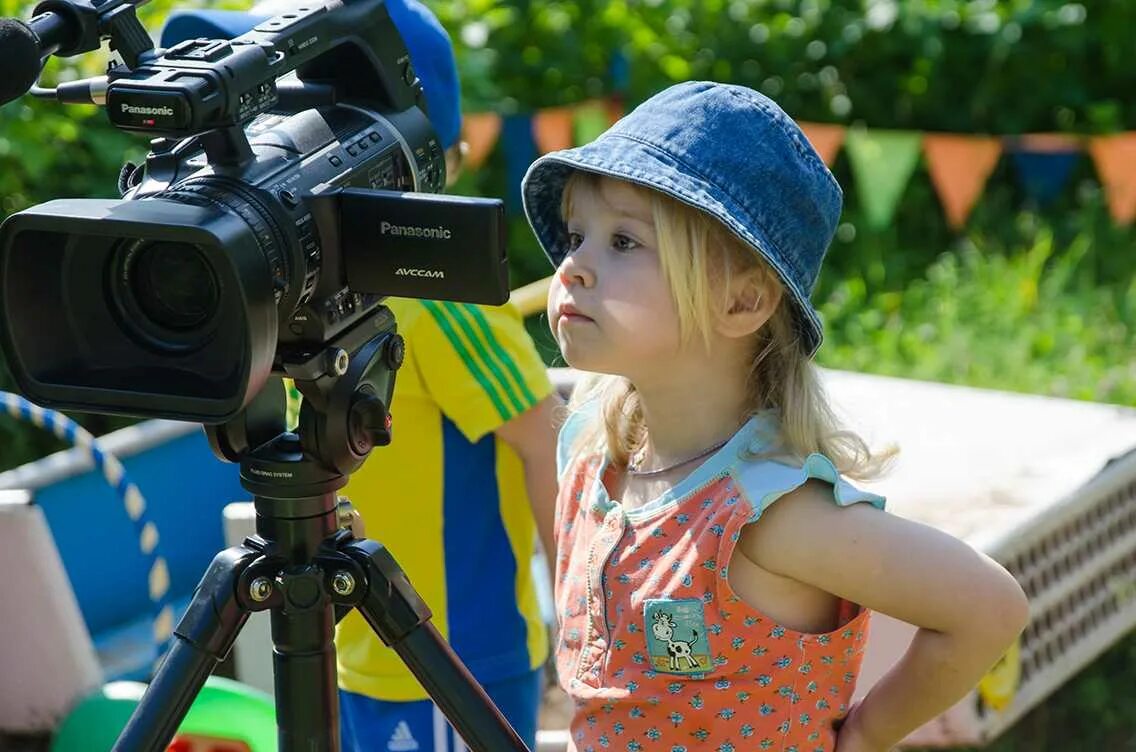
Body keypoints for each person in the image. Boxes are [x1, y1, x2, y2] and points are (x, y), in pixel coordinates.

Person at [520, 81, 1030, 751]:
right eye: (578, 235)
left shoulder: (768, 515)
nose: (573, 268)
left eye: (623, 243)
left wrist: (869, 733)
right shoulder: (589, 451)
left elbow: (990, 608)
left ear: (743, 302)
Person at [160, 5, 561, 751]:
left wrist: (578, 619)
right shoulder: (293, 295)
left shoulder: (439, 301)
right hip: (358, 645)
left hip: (456, 657)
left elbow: (546, 442)